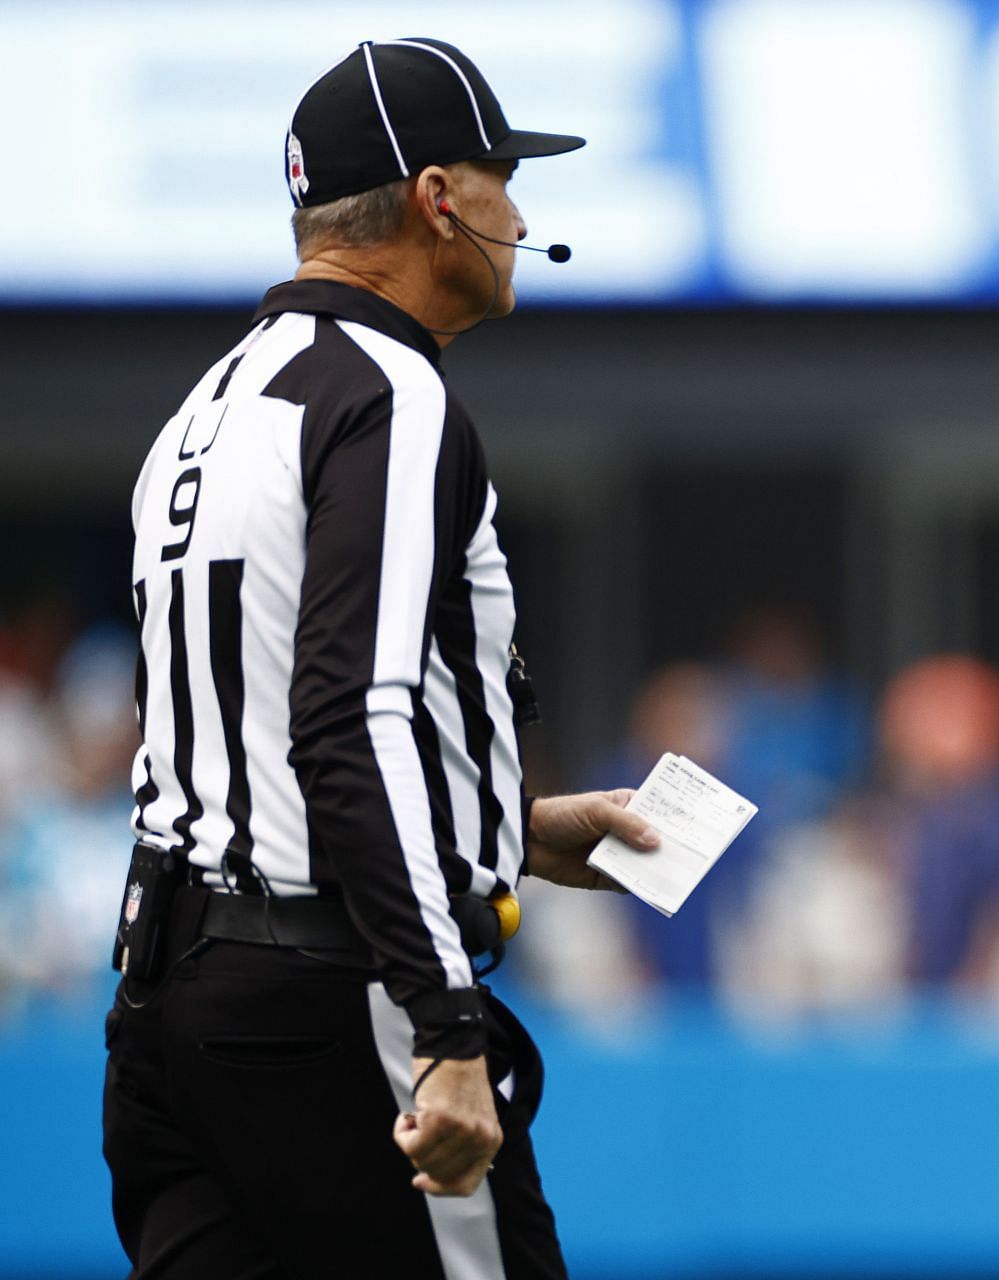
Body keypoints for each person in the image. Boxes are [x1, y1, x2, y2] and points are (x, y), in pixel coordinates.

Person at [103, 39, 659, 1278]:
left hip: (166, 1006)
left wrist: (502, 828)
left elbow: (238, 740)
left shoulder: (201, 412)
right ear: (439, 198)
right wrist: (447, 1020)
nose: (523, 210)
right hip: (333, 997)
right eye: (504, 173)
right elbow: (351, 713)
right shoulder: (392, 394)